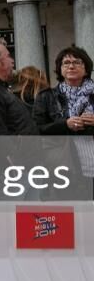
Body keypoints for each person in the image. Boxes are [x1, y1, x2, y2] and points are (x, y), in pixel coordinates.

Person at [33, 46, 94, 192]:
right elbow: (36, 128)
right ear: (60, 69)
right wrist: (65, 124)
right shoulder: (46, 96)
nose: (71, 66)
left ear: (86, 69)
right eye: (66, 63)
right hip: (64, 166)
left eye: (77, 62)